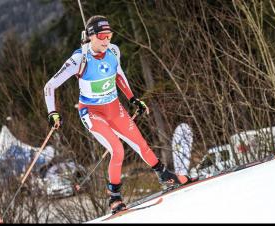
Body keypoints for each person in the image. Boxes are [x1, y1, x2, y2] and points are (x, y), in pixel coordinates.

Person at [44, 15, 191, 214]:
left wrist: (132, 99)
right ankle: (114, 198)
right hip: (92, 112)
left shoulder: (114, 51)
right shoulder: (79, 59)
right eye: (103, 36)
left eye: (109, 35)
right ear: (91, 36)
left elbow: (119, 75)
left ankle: (166, 177)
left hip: (114, 108)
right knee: (117, 149)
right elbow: (50, 86)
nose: (107, 40)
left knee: (142, 145)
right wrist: (52, 112)